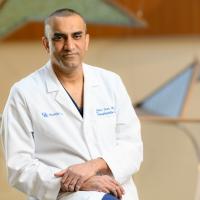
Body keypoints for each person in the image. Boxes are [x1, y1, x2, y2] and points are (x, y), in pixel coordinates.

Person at [0, 8, 143, 200]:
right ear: (46, 44)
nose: (69, 45)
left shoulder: (111, 82)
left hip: (118, 191)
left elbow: (132, 147)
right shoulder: (24, 93)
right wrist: (81, 182)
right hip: (64, 195)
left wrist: (91, 167)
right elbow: (19, 167)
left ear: (86, 41)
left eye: (76, 36)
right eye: (59, 38)